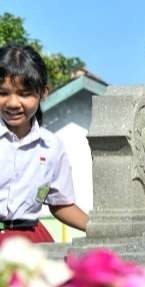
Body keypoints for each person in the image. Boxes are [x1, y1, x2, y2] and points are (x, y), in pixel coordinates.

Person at [0, 44, 87, 243]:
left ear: (43, 93)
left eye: (24, 94)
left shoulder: (51, 147)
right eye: (3, 93)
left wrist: (99, 228)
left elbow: (61, 204)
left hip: (32, 242)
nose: (13, 103)